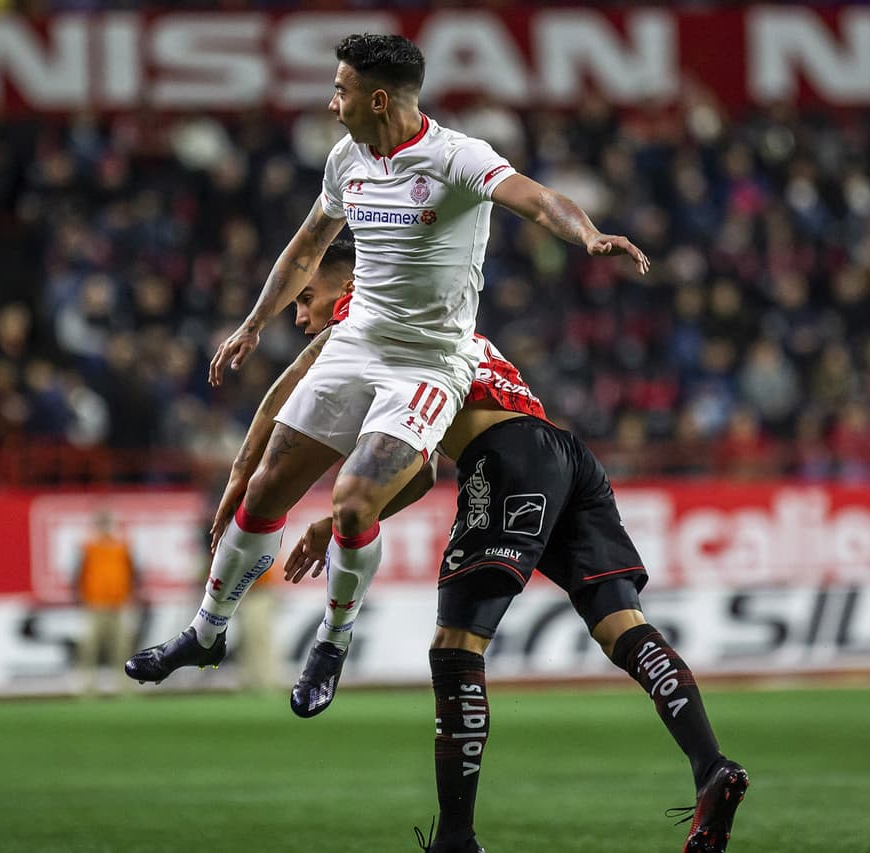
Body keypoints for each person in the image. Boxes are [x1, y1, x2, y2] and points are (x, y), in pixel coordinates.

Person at [124, 33, 649, 718]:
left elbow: (537, 198)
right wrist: (253, 322)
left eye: (340, 90)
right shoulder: (346, 159)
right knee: (266, 488)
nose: (331, 103)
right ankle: (205, 632)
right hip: (358, 342)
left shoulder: (457, 157)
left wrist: (587, 235)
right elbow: (308, 245)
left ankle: (332, 641)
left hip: (429, 361)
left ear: (378, 99)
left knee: (352, 501)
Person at [217, 245, 748, 853]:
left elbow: (326, 419)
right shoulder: (440, 322)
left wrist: (276, 489)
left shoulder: (370, 330)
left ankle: (456, 838)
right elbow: (418, 469)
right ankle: (711, 767)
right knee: (621, 626)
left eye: (305, 298)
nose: (298, 314)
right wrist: (336, 520)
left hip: (505, 458)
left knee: (456, 646)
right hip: (566, 455)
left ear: (346, 289)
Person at [74, 510, 139, 694]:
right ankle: (86, 684)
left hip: (119, 603)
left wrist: (132, 594)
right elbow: (79, 573)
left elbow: (132, 571)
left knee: (122, 646)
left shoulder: (122, 545)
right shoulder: (89, 546)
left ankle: (125, 683)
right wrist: (80, 596)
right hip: (95, 603)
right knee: (89, 645)